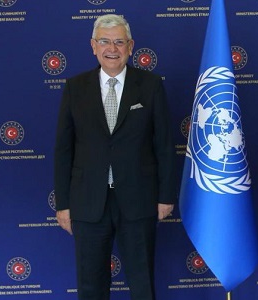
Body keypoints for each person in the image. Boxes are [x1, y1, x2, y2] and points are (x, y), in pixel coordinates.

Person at [54, 14, 177, 300]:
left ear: (131, 46)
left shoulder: (150, 85)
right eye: (105, 42)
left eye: (119, 42)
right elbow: (63, 150)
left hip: (139, 200)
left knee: (142, 283)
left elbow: (164, 145)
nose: (112, 48)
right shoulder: (75, 87)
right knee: (90, 286)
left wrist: (166, 196)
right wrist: (63, 204)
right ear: (93, 46)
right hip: (88, 202)